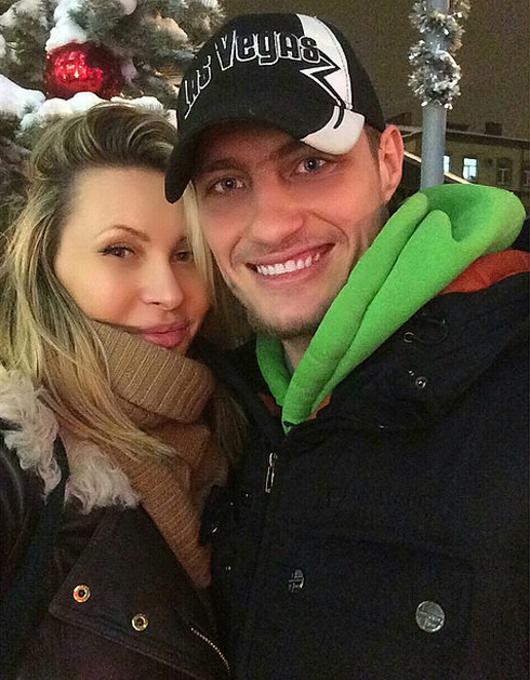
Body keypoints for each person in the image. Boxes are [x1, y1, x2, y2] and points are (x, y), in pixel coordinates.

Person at [164, 12, 530, 680]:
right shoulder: (229, 413)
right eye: (227, 184)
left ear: (388, 163)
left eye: (310, 164)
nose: (271, 226)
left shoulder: (510, 376)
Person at [0, 104, 234, 679]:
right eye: (120, 250)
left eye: (186, 254)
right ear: (46, 266)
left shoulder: (229, 430)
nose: (169, 293)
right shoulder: (19, 461)